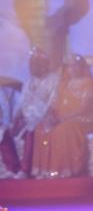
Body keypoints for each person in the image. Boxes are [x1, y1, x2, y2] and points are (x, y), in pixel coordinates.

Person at [31, 55, 93, 179]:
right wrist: (50, 117)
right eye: (70, 66)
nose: (73, 68)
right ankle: (46, 170)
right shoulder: (64, 84)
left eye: (76, 66)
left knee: (64, 129)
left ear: (82, 68)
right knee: (41, 128)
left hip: (83, 118)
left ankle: (65, 170)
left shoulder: (88, 83)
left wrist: (63, 118)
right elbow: (53, 104)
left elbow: (84, 108)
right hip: (61, 118)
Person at [0, 48, 59, 179]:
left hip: (44, 118)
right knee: (5, 132)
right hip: (27, 119)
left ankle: (25, 170)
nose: (32, 67)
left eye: (36, 63)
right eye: (31, 63)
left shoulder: (54, 80)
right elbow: (21, 103)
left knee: (32, 131)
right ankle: (13, 168)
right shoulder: (28, 82)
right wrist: (15, 119)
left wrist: (44, 116)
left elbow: (53, 102)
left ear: (45, 64)